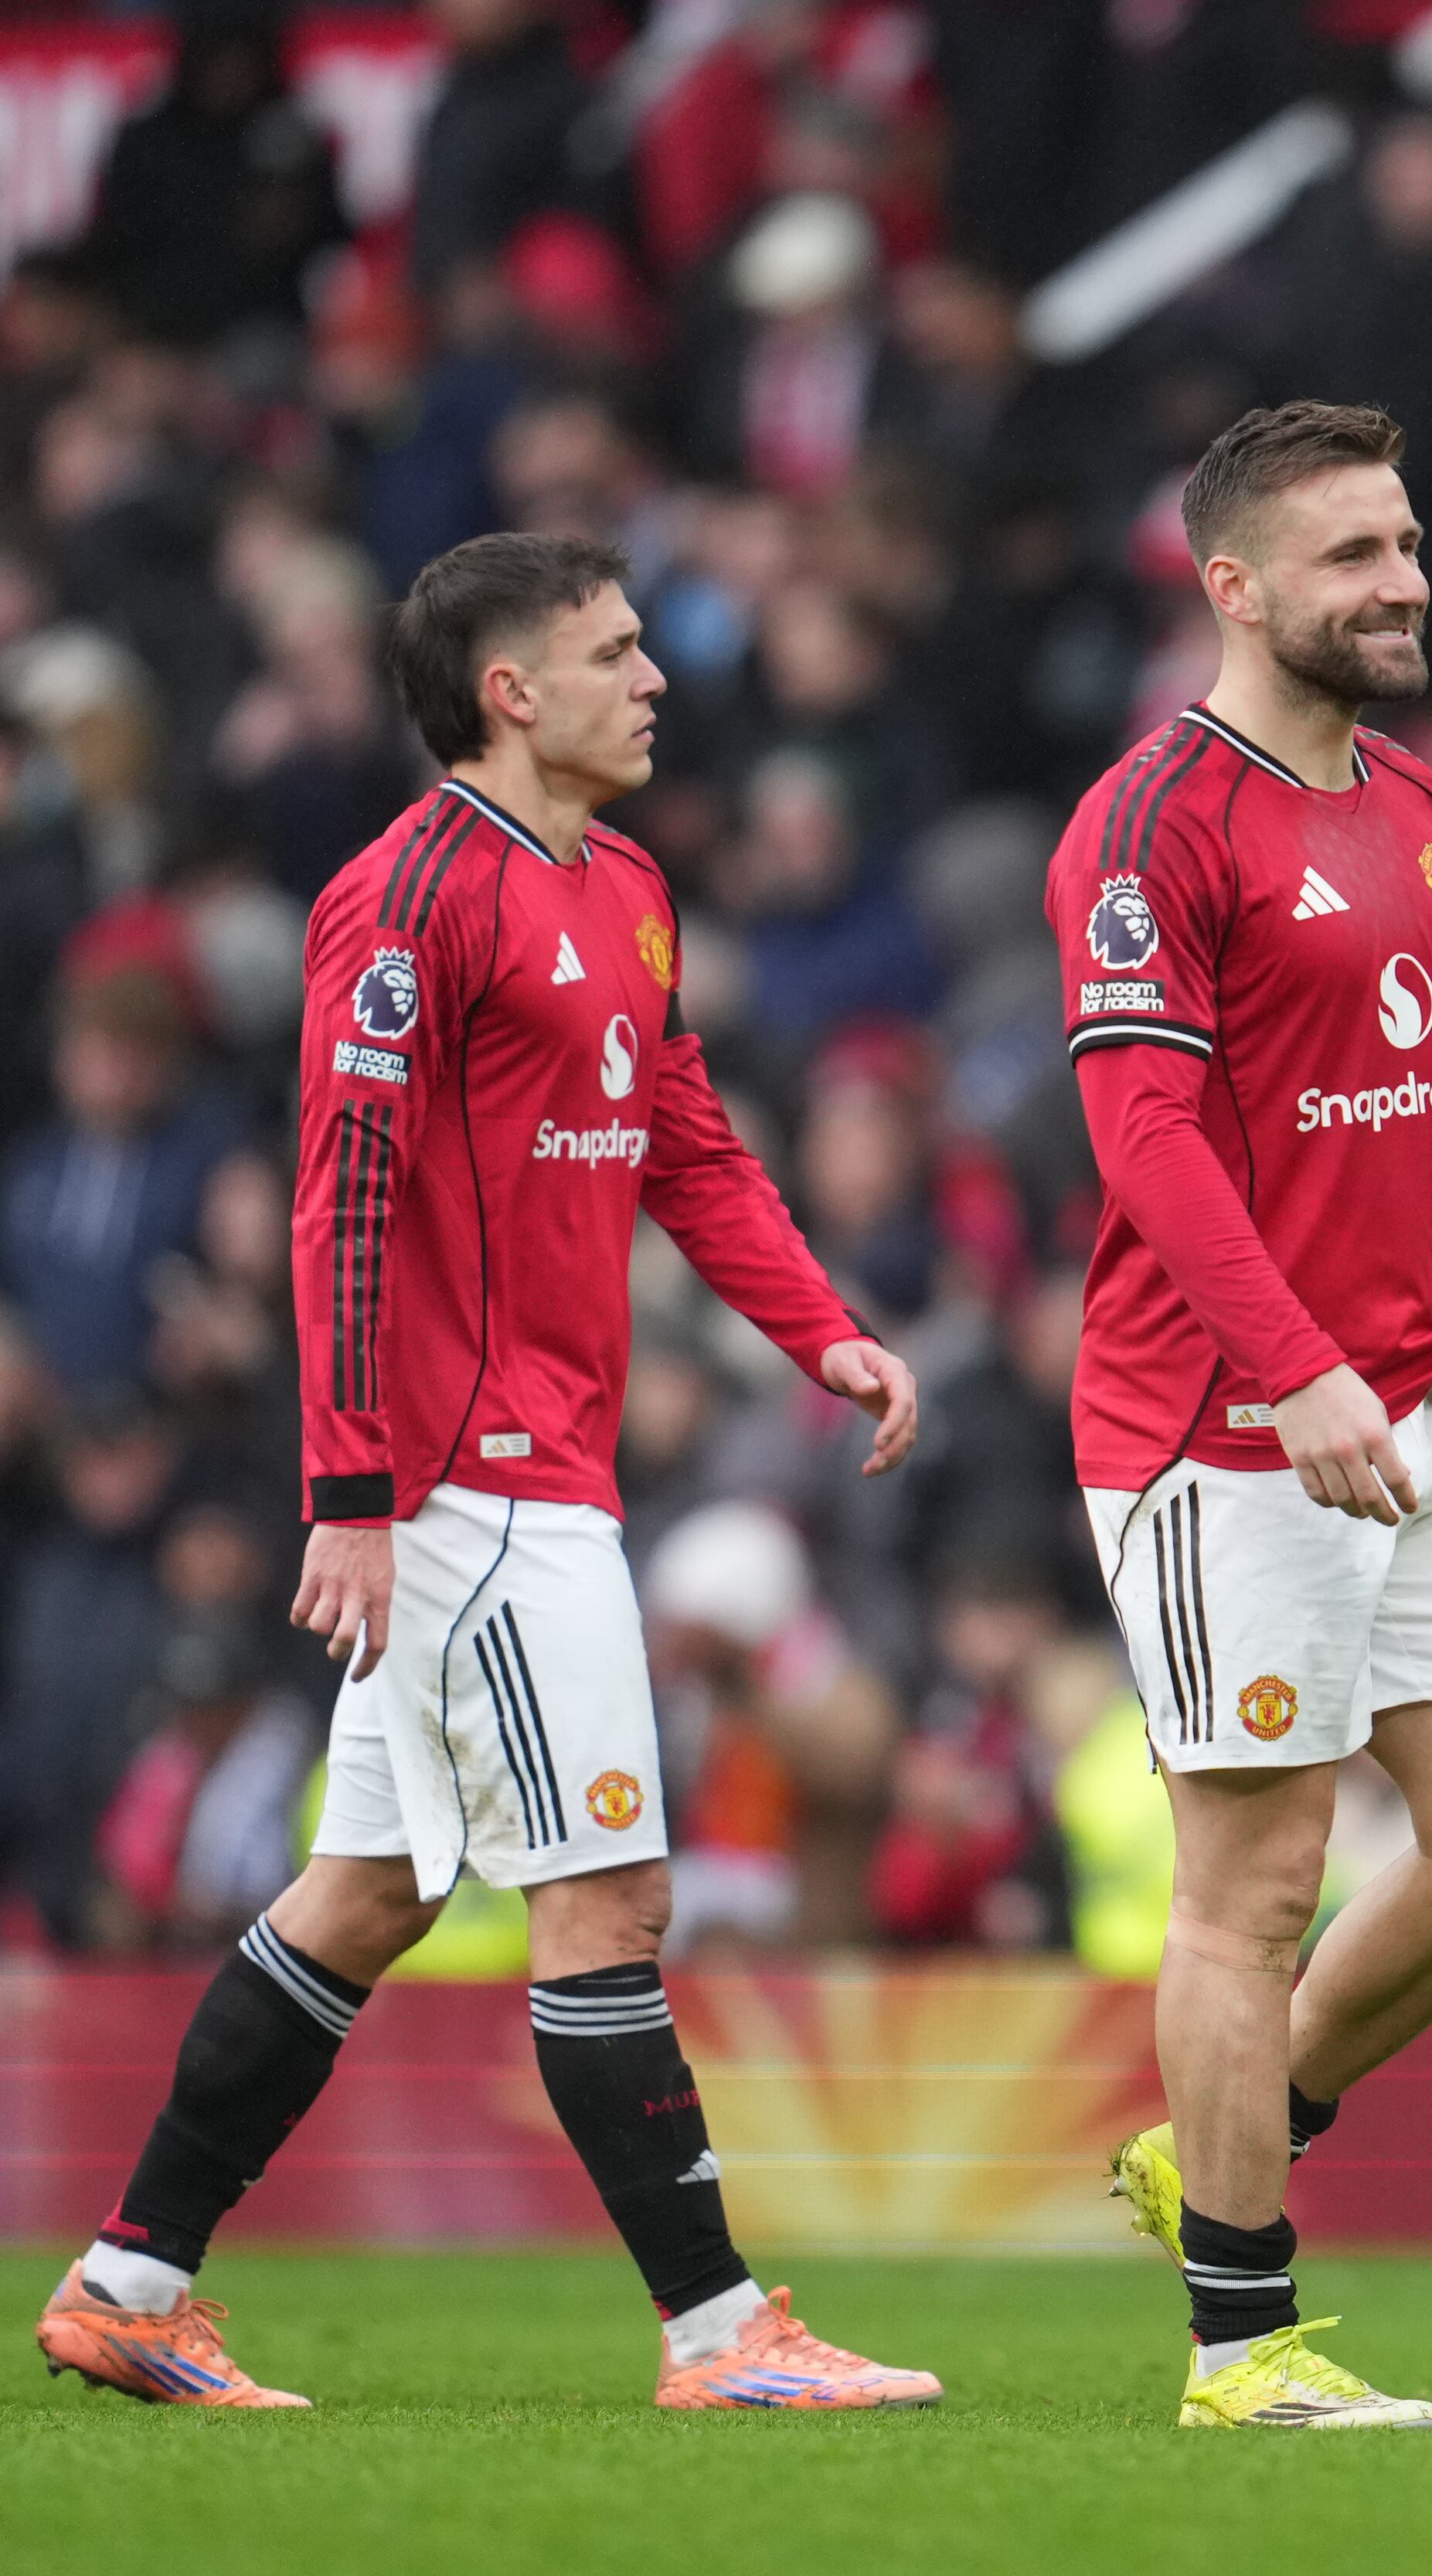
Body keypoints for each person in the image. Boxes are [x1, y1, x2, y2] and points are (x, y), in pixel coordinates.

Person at [32, 533, 938, 2411]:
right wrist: (352, 1490)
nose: (657, 677)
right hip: (471, 1478)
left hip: (544, 1465)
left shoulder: (626, 886)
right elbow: (340, 1202)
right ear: (510, 689)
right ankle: (719, 2332)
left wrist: (817, 1324)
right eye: (614, 652)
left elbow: (685, 1139)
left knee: (364, 1893)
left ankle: (129, 2281)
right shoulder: (404, 896)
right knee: (606, 1896)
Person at [1066, 404, 1432, 2435]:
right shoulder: (1150, 826)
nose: (1404, 580)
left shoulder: (1423, 799)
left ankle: (1235, 2126)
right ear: (1236, 586)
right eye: (1357, 552)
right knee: (1251, 1887)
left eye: (1407, 540)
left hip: (1418, 1406)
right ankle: (1240, 2346)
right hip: (1228, 1428)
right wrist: (1293, 1369)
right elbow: (1149, 1142)